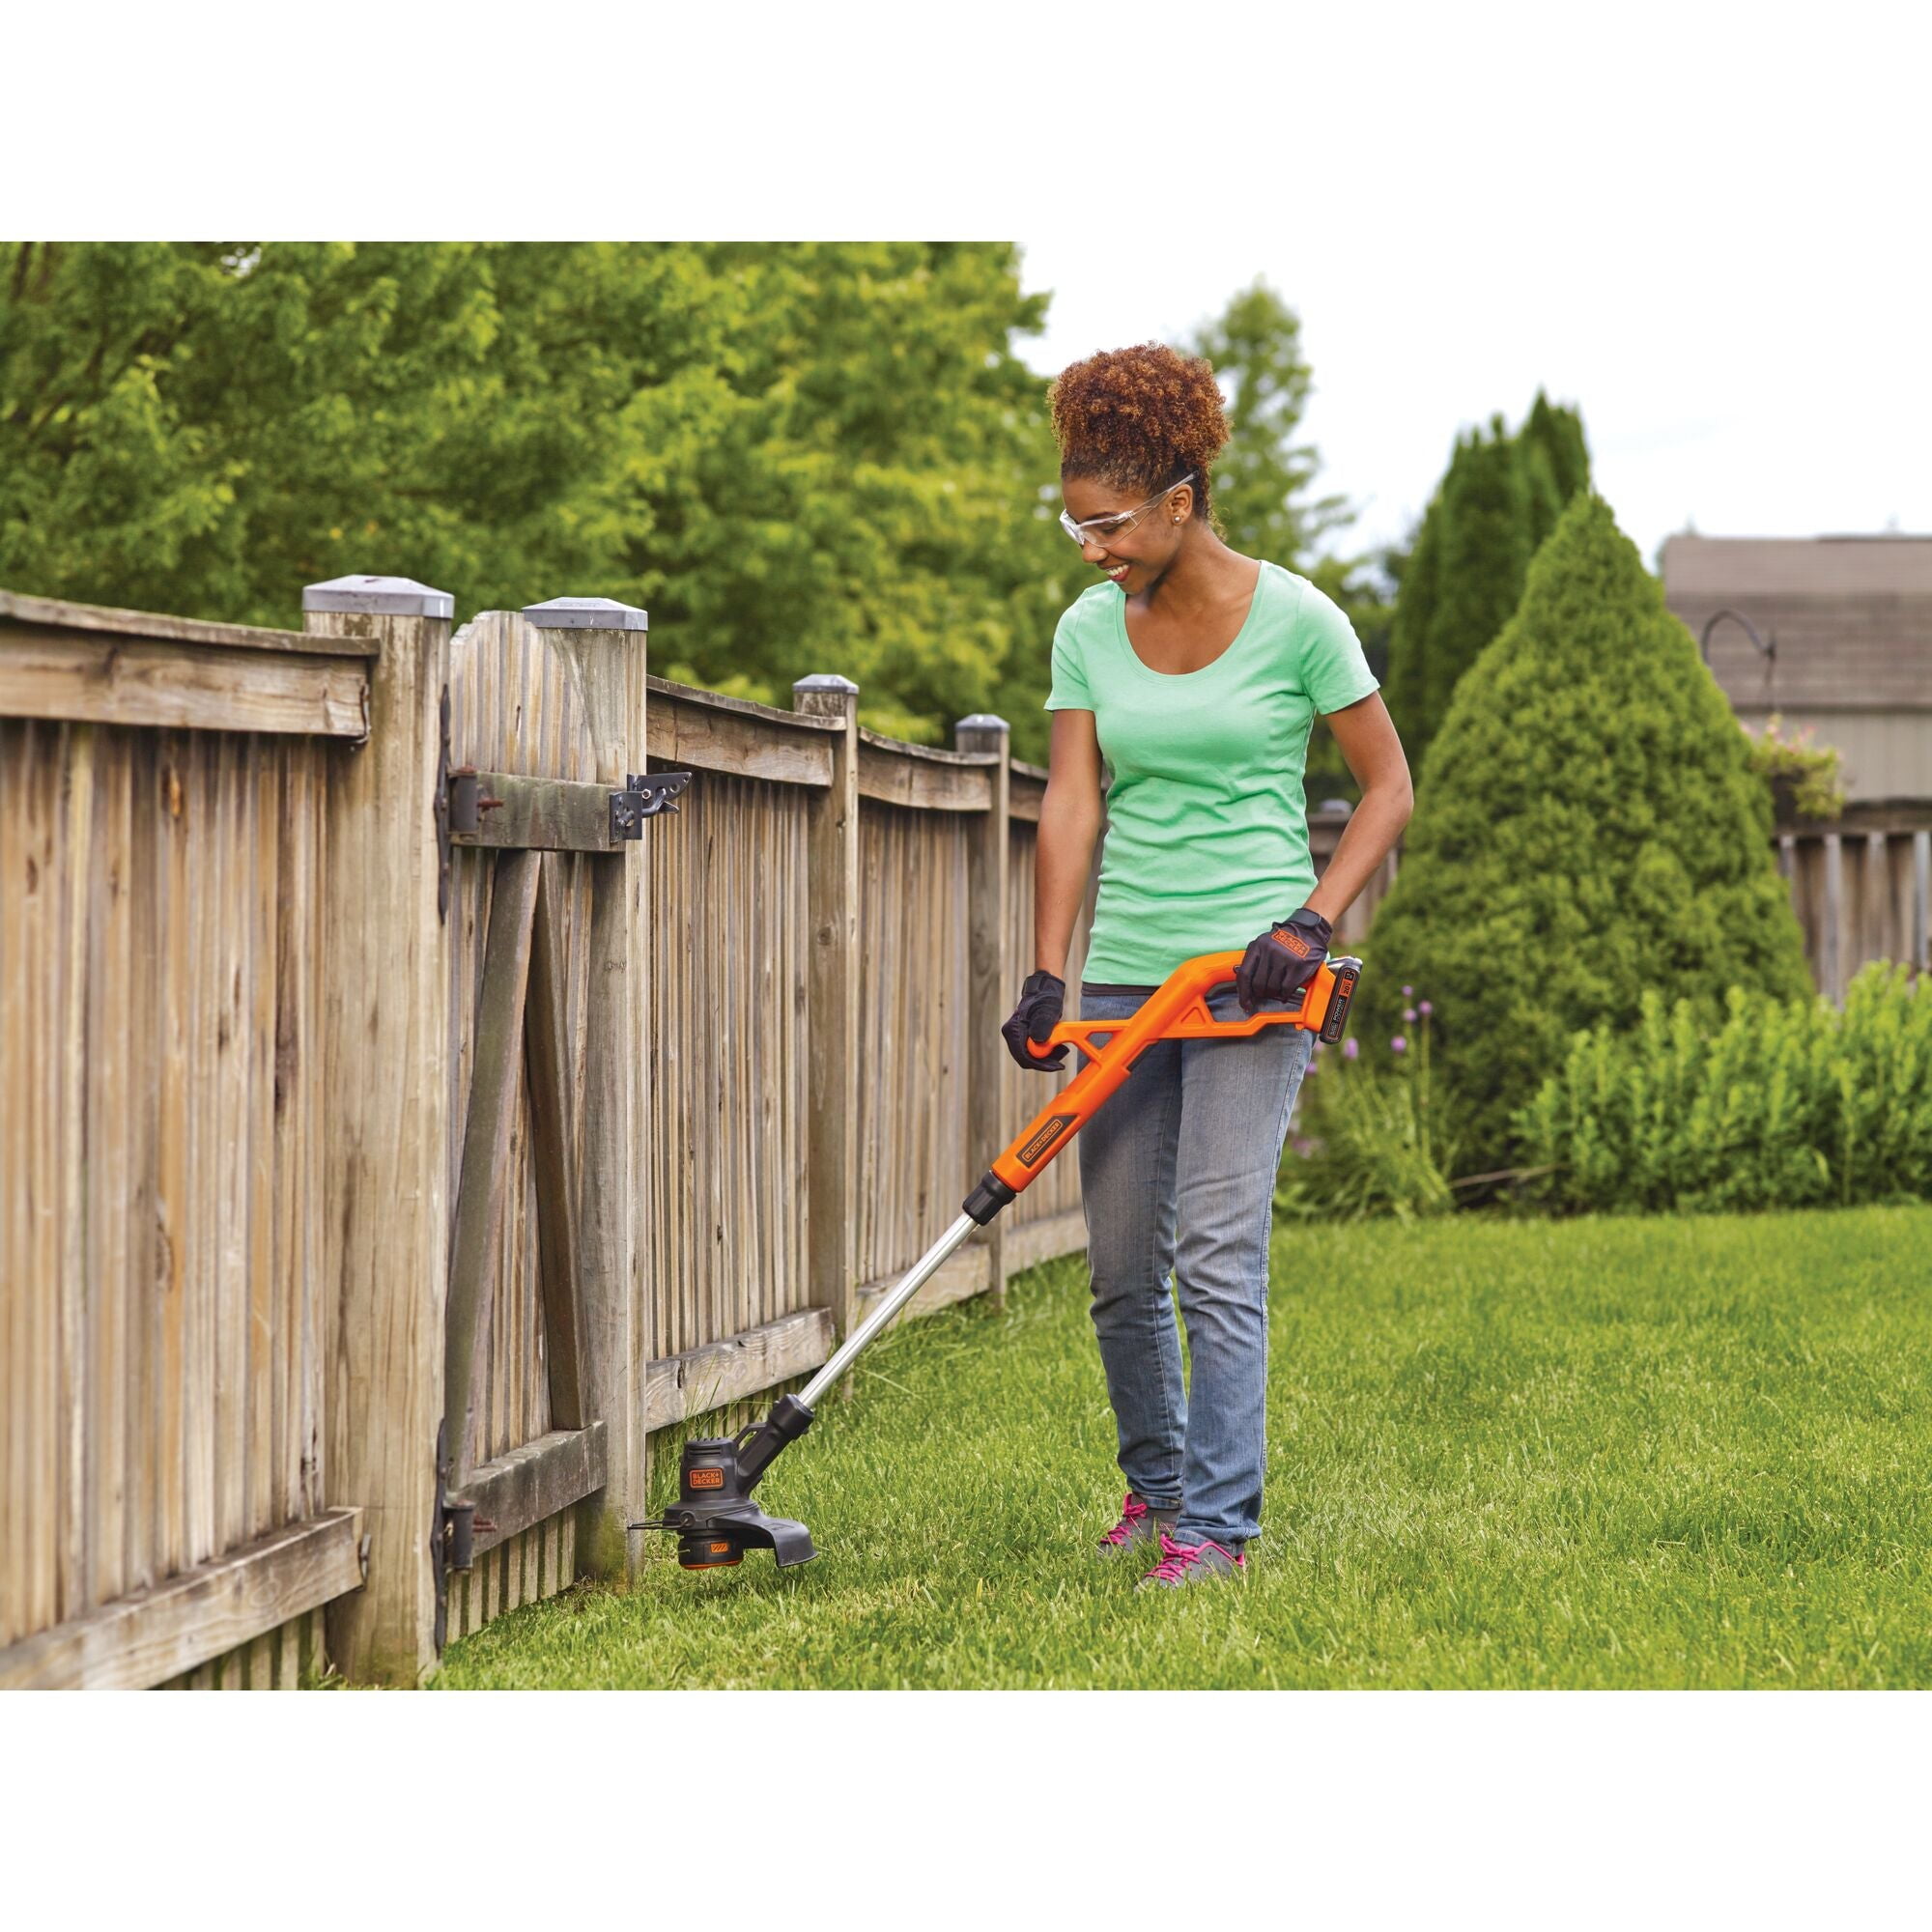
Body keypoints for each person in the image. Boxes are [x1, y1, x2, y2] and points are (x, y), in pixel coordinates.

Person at [1002, 342, 1411, 1589]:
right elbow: (1073, 803)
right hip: (1130, 976)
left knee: (1220, 1256)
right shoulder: (1088, 629)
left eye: (1111, 525)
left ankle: (1221, 1531)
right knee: (1123, 1269)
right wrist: (1047, 973)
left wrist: (1312, 923)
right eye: (1077, 526)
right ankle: (1160, 1490)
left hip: (1252, 981)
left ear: (1180, 501)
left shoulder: (1300, 619)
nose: (1094, 550)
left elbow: (1388, 788)